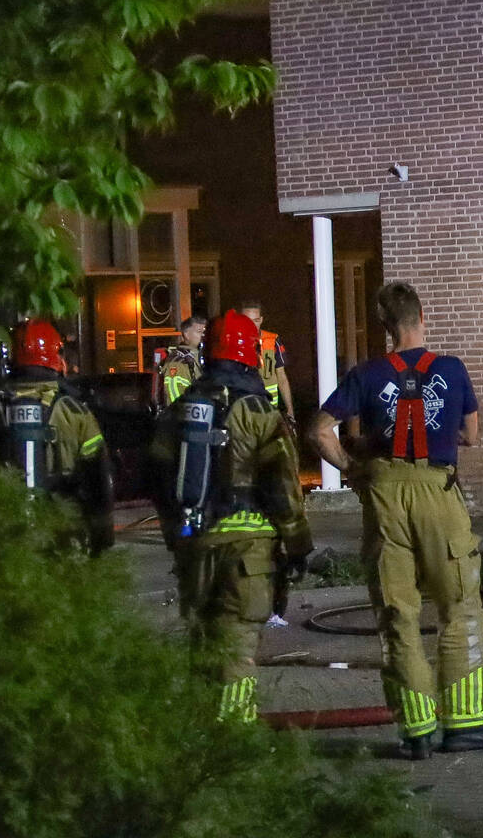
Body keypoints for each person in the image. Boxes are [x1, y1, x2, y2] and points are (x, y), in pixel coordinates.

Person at [310, 282, 483, 757]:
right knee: (458, 607)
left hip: (384, 497)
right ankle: (465, 724)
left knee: (397, 614)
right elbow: (471, 434)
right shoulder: (451, 369)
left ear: (385, 325)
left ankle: (417, 731)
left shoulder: (365, 374)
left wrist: (353, 470)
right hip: (437, 494)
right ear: (422, 317)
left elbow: (319, 430)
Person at [150, 309, 311, 723]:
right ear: (251, 355)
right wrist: (297, 546)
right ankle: (234, 740)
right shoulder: (260, 413)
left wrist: (175, 535)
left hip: (196, 541)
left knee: (203, 642)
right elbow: (284, 487)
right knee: (237, 648)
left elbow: (159, 477)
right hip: (249, 549)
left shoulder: (183, 408)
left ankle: (202, 732)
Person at [0, 318, 115, 554]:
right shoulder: (75, 413)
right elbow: (99, 477)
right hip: (63, 535)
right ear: (56, 357)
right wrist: (102, 535)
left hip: (7, 542)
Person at [237, 300, 295, 435]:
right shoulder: (234, 343)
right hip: (244, 409)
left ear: (261, 320)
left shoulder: (272, 340)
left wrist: (290, 410)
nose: (252, 325)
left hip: (269, 409)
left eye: (256, 320)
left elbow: (282, 377)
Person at [154, 312, 207, 409]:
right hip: (185, 414)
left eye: (205, 332)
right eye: (199, 331)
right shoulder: (177, 362)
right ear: (186, 334)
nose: (203, 335)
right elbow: (173, 396)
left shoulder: (203, 357)